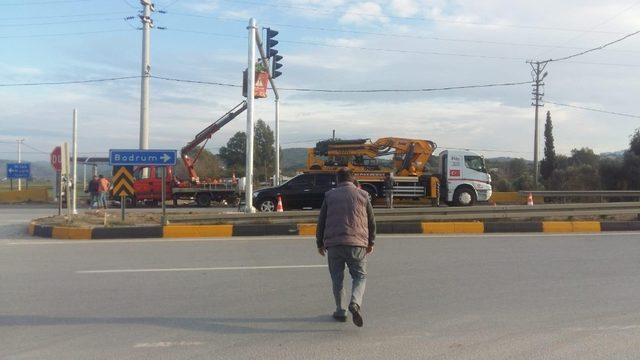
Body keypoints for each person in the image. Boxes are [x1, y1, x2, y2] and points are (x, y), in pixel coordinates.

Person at [316, 167, 376, 327]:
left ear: (338, 179)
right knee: (360, 277)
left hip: (334, 244)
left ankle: (341, 311)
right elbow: (371, 220)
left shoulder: (329, 195)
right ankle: (355, 303)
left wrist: (319, 243)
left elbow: (321, 220)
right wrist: (371, 242)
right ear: (353, 179)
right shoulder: (363, 195)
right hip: (357, 244)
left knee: (337, 279)